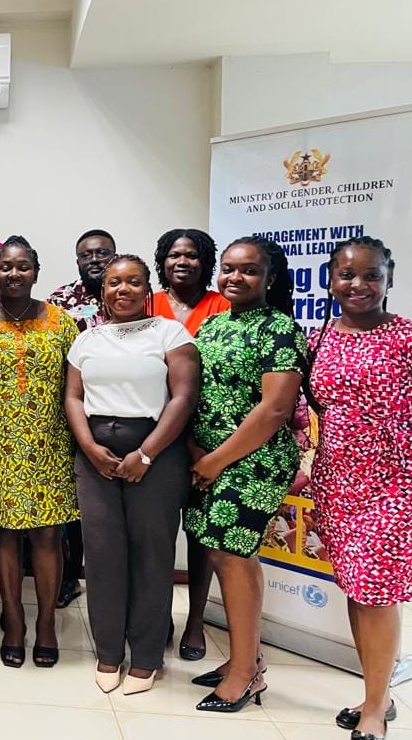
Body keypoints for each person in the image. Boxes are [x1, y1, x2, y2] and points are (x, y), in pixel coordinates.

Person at [308, 236, 412, 739]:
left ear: (389, 279)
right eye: (347, 274)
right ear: (330, 280)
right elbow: (317, 407)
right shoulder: (319, 339)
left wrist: (409, 438)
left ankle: (377, 708)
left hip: (396, 482)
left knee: (377, 592)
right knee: (358, 588)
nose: (358, 284)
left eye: (372, 275)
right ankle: (375, 694)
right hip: (338, 480)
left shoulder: (411, 337)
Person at [65, 254, 199, 693]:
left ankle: (146, 657)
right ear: (102, 291)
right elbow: (73, 397)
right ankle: (108, 652)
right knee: (102, 555)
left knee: (151, 555)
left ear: (147, 289)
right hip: (95, 455)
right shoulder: (87, 339)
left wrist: (146, 453)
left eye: (134, 282)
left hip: (155, 454)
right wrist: (89, 447)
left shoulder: (169, 333)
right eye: (114, 283)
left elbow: (183, 397)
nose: (123, 289)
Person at [184, 236, 306, 713]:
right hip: (207, 459)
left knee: (233, 556)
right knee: (224, 554)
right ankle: (246, 658)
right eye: (229, 268)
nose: (236, 277)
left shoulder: (280, 329)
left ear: (269, 278)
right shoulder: (214, 325)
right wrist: (197, 449)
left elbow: (274, 409)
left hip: (254, 461)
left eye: (249, 270)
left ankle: (244, 675)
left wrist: (216, 460)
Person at [0, 236, 79, 669]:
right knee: (4, 534)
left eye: (22, 266)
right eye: (5, 267)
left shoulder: (62, 322)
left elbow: (77, 387)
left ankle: (46, 622)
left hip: (50, 443)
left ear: (36, 271)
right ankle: (13, 620)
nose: (13, 274)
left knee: (48, 535)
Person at [151, 228, 230, 662]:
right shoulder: (147, 305)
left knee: (200, 536)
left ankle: (196, 620)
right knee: (158, 534)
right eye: (174, 255)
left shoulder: (223, 306)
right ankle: (158, 614)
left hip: (207, 441)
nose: (182, 262)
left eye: (193, 255)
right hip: (156, 437)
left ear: (206, 262)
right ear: (162, 261)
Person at [48, 229, 117, 608]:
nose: (94, 260)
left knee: (112, 502)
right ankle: (70, 575)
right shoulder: (60, 301)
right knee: (71, 501)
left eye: (101, 252)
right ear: (77, 261)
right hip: (72, 411)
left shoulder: (130, 294)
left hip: (121, 411)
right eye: (86, 255)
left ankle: (113, 578)